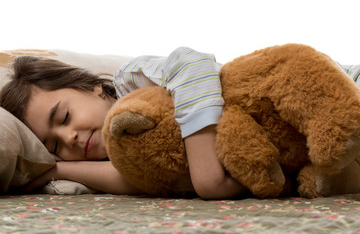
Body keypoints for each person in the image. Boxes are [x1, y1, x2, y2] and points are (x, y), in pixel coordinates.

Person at [0, 47, 248, 199]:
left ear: (92, 87)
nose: (68, 138)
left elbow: (191, 63)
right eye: (54, 146)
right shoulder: (115, 157)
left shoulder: (131, 81)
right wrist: (57, 170)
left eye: (65, 117)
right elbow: (141, 178)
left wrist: (207, 177)